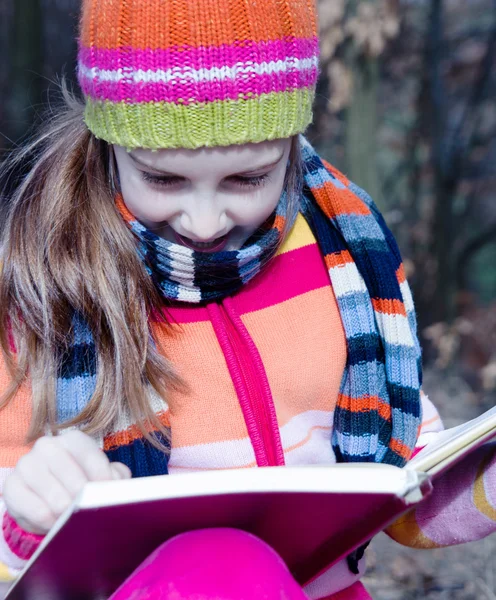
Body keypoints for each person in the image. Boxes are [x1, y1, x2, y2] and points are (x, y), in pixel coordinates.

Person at [0, 1, 495, 598]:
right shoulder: (50, 288)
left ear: (291, 144)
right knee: (222, 562)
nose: (205, 224)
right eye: (162, 179)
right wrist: (27, 518)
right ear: (109, 144)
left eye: (248, 179)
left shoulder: (347, 262)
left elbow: (406, 495)